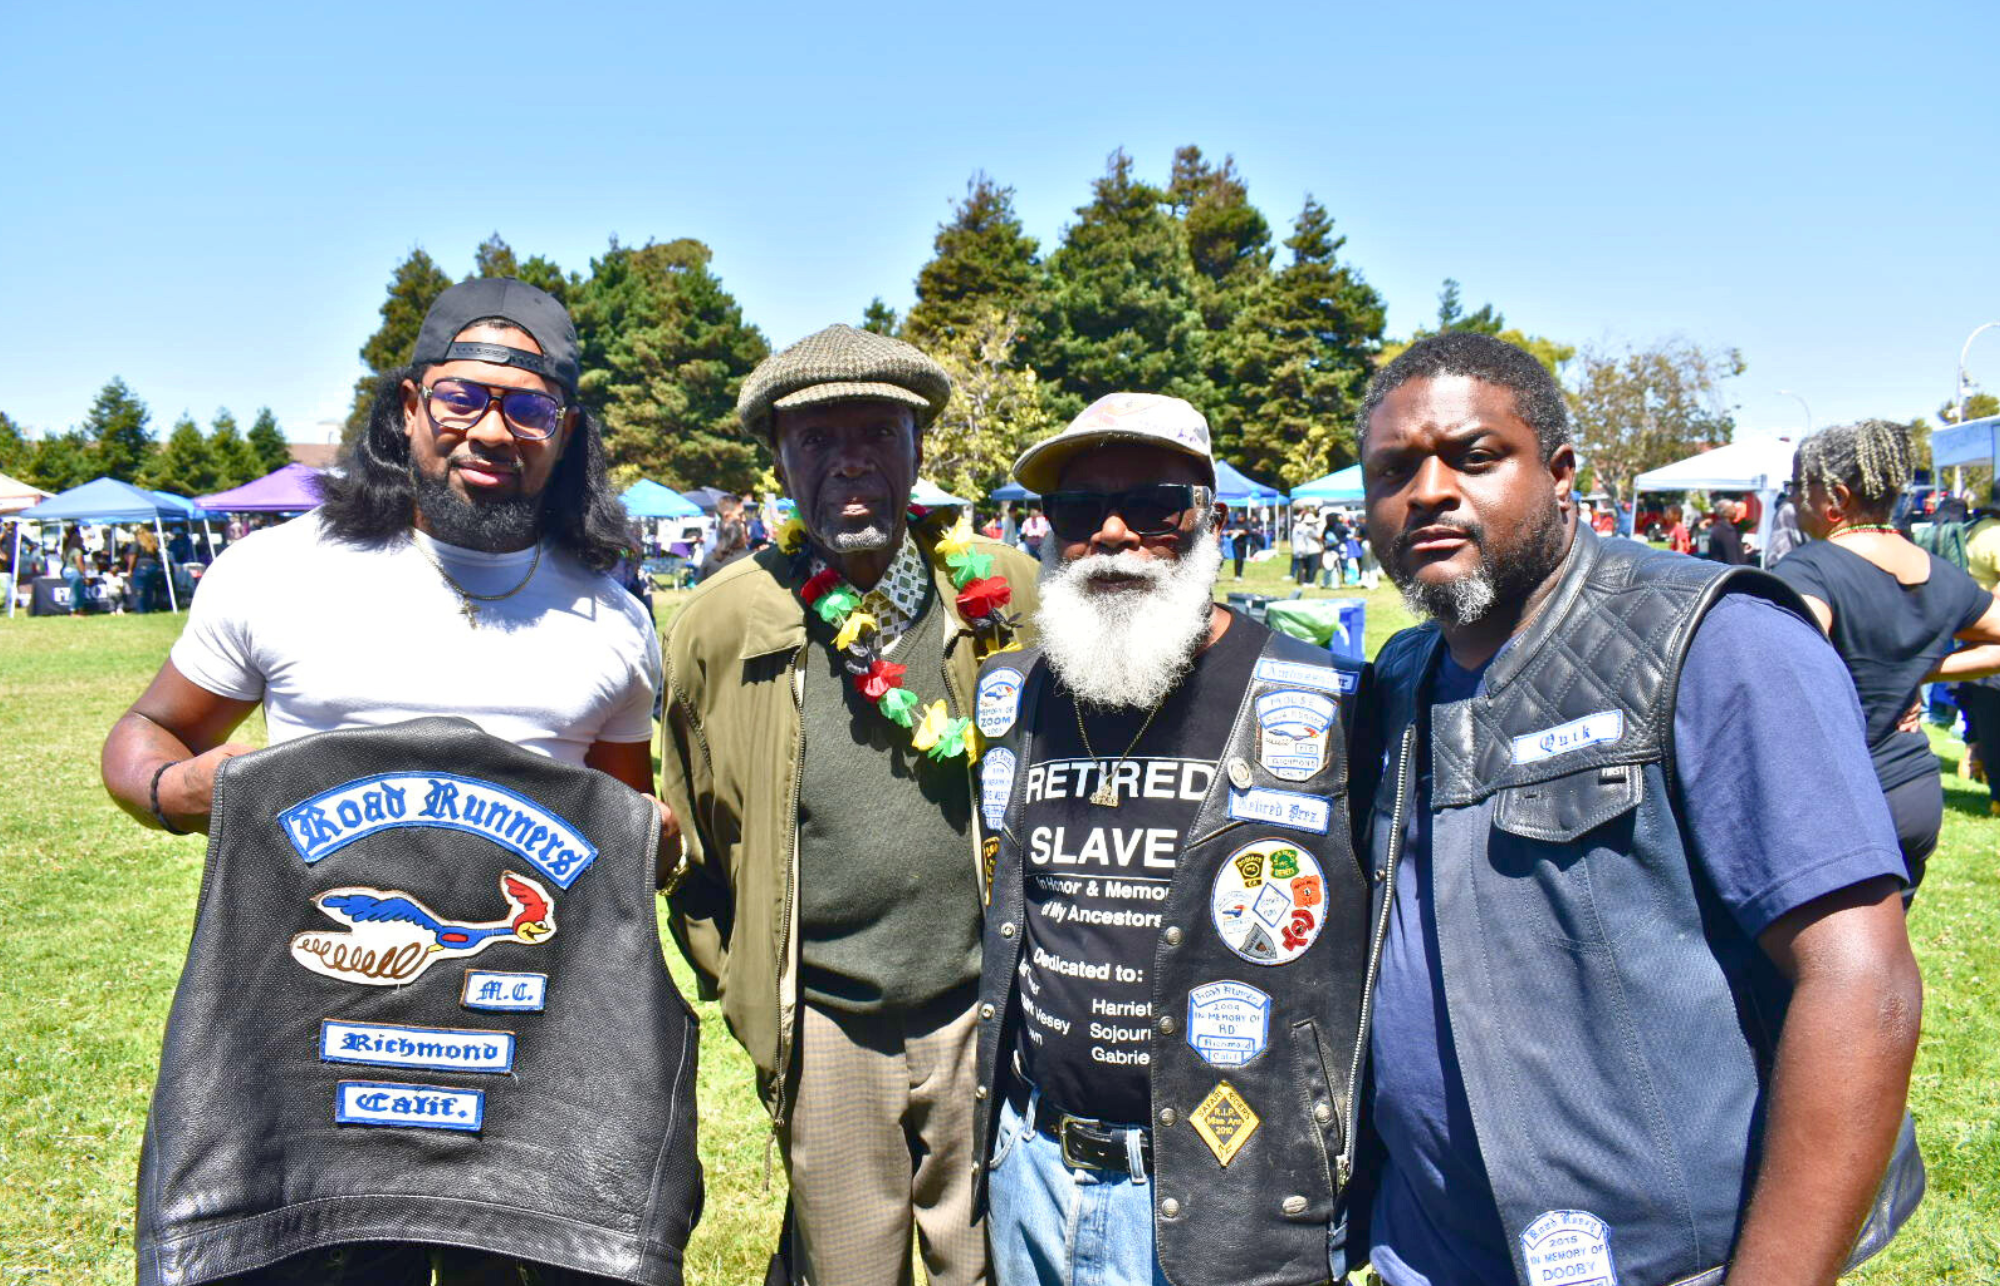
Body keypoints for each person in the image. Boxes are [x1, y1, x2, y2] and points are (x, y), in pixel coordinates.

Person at [100, 278, 681, 1283]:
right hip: (308, 1080)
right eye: (462, 397)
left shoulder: (612, 620)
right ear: (408, 406)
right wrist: (171, 788)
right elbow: (145, 732)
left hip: (523, 1092)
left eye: (528, 407)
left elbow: (626, 826)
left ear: (565, 433)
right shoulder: (276, 572)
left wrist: (654, 845)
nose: (491, 430)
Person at [1356, 332, 1924, 1286]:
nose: (1430, 492)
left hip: (1666, 1265)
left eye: (1474, 456)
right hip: (1430, 1256)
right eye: (1393, 470)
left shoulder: (1718, 639)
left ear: (1561, 474)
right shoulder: (1401, 677)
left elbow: (1863, 985)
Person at [659, 324, 1038, 1286]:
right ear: (779, 462)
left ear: (920, 444)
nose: (851, 461)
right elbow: (691, 844)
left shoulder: (1008, 597)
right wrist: (752, 989)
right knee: (846, 1271)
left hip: (985, 1009)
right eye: (818, 439)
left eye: (877, 432)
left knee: (988, 1266)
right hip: (825, 1022)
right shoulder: (720, 624)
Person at [973, 393, 1370, 1286]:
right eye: (1078, 509)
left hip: (1232, 1192)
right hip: (1032, 1171)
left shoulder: (1317, 698)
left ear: (1207, 517)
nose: (1112, 534)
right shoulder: (1015, 696)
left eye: (1152, 506)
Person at [1772, 420, 2000, 890]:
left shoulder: (1809, 569)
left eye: (1798, 486)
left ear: (1835, 497)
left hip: (1839, 795)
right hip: (1914, 790)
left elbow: (1789, 663)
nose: (1794, 499)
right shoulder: (1938, 571)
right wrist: (1922, 670)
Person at [1957, 485, 2000, 814]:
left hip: (1971, 636)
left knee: (1984, 718)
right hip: (1993, 637)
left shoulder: (1974, 531)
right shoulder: (1996, 536)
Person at [1705, 495, 1750, 564]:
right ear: (1726, 513)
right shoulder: (1724, 531)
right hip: (1730, 568)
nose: (1735, 511)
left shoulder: (1722, 528)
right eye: (1733, 508)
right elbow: (1731, 557)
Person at [60, 527, 89, 616]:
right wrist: (84, 576)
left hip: (66, 570)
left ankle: (80, 610)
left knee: (76, 591)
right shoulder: (77, 551)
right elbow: (79, 563)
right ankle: (73, 611)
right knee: (76, 592)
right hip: (74, 571)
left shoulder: (67, 549)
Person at [1292, 506, 1323, 585]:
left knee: (1306, 566)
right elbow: (1319, 537)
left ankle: (1304, 580)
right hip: (1314, 550)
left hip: (1306, 549)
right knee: (1313, 567)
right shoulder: (1310, 530)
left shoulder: (1301, 528)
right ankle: (1310, 581)